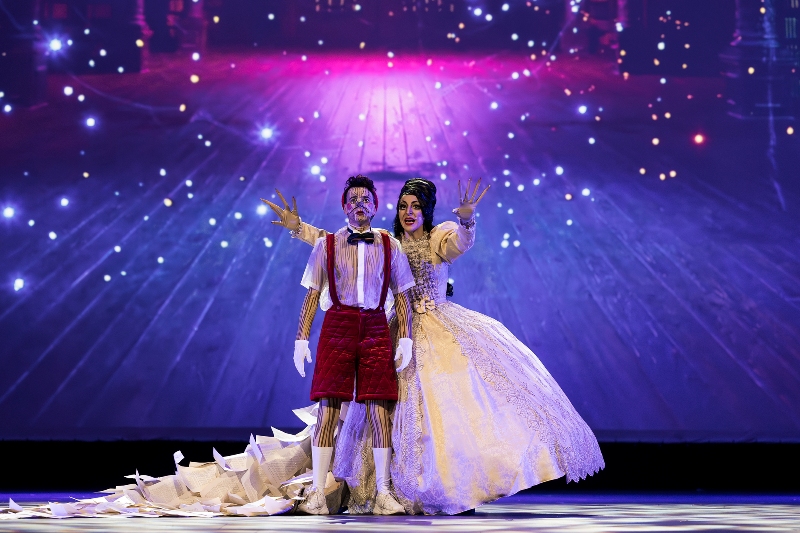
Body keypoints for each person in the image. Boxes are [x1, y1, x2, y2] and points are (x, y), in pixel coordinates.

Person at [265, 178, 604, 515]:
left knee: (447, 409)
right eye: (403, 206)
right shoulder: (388, 241)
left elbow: (460, 243)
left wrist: (467, 221)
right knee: (387, 409)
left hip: (436, 325)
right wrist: (299, 228)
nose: (409, 212)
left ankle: (452, 486)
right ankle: (389, 489)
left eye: (415, 206)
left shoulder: (437, 237)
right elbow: (335, 244)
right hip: (394, 328)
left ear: (426, 210)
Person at [290, 175, 416, 515]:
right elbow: (312, 293)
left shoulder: (390, 246)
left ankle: (383, 493)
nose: (360, 204)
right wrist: (301, 338)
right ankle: (318, 493)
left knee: (379, 406)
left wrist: (405, 337)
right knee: (328, 406)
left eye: (366, 199)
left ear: (375, 206)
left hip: (375, 325)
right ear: (344, 206)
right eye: (353, 199)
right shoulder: (327, 245)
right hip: (338, 325)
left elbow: (402, 295)